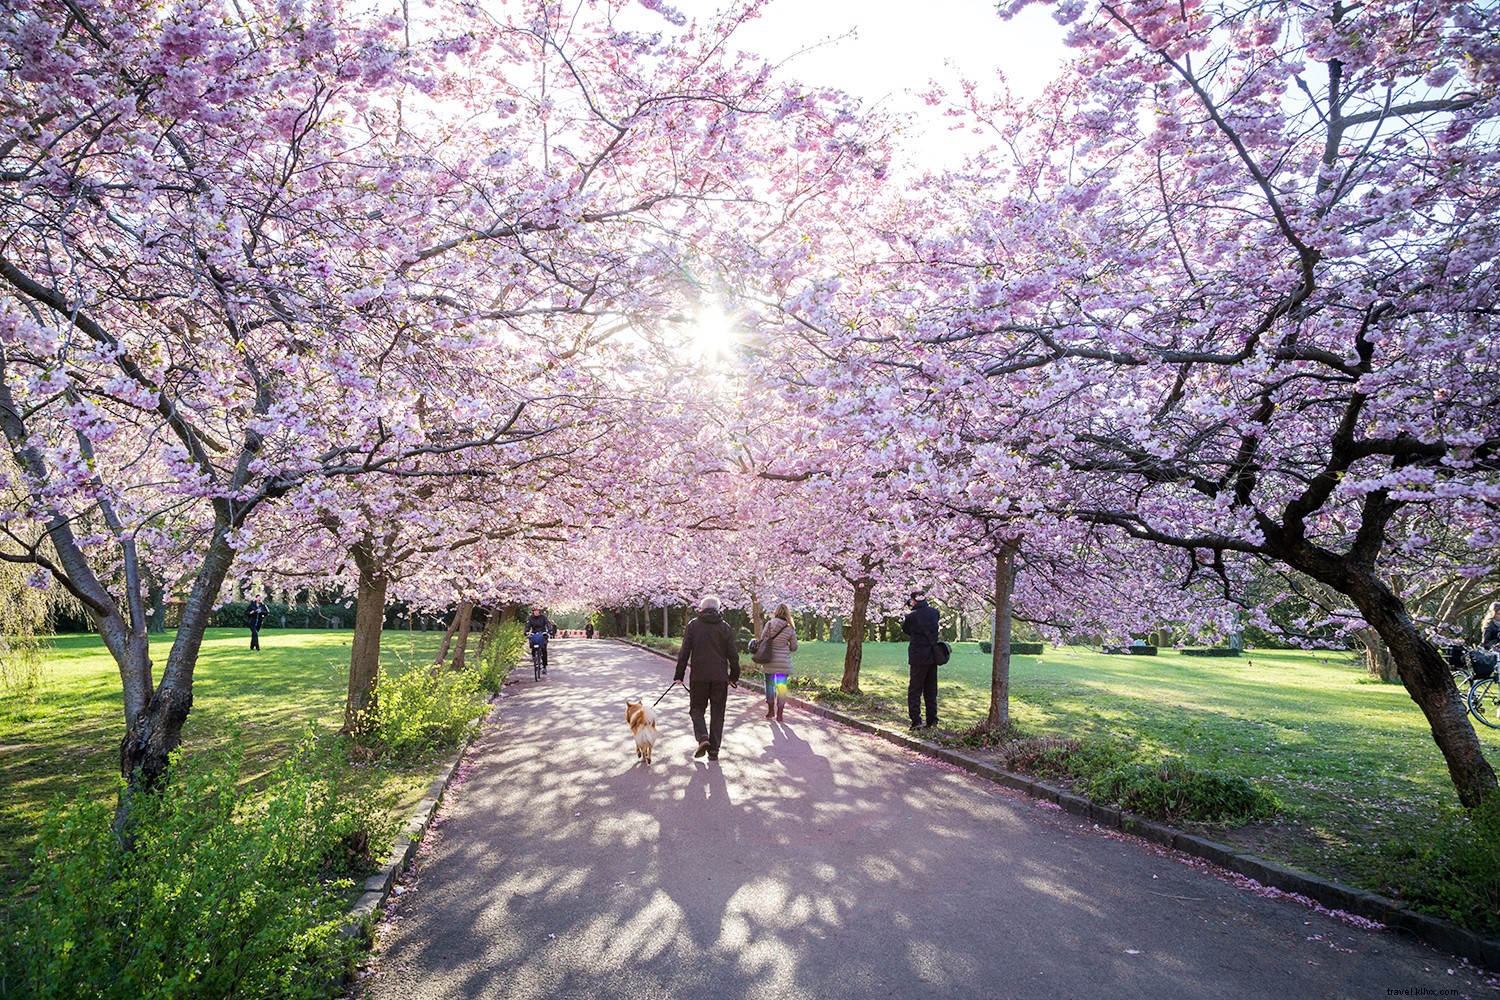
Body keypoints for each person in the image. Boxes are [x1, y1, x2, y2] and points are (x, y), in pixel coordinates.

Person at [672, 595, 740, 761]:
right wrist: (734, 676)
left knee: (696, 709)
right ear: (718, 610)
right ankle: (714, 751)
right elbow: (733, 655)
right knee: (718, 713)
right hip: (719, 678)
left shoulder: (693, 625)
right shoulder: (725, 627)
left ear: (701, 609)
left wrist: (679, 674)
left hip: (699, 677)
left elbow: (684, 652)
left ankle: (703, 738)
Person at [902, 590, 941, 730]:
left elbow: (905, 629)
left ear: (913, 600)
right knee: (931, 690)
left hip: (918, 657)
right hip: (932, 656)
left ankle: (916, 721)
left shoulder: (911, 616)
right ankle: (932, 720)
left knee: (915, 690)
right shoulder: (935, 613)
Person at [758, 603, 798, 721]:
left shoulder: (769, 624)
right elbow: (794, 647)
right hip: (783, 663)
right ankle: (780, 713)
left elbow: (762, 639)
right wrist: (787, 646)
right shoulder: (789, 628)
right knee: (781, 687)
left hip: (769, 660)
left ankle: (770, 710)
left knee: (769, 685)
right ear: (787, 613)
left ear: (776, 612)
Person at [525, 607, 551, 671]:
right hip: (534, 634)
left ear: (539, 611)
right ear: (533, 612)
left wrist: (549, 630)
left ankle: (544, 666)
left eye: (537, 611)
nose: (536, 612)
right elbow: (527, 625)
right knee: (533, 647)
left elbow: (548, 623)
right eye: (534, 611)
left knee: (544, 649)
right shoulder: (530, 618)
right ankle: (534, 658)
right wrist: (526, 632)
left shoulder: (543, 617)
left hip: (542, 634)